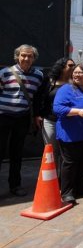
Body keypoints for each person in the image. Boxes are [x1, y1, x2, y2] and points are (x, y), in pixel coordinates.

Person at [0, 44, 44, 196]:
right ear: (17, 56)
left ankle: (15, 185)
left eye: (30, 56)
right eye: (23, 55)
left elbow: (38, 98)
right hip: (3, 117)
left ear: (34, 58)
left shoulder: (39, 75)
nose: (26, 58)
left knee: (17, 153)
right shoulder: (4, 73)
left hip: (22, 118)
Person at [53, 63, 83, 204]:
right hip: (69, 134)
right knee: (70, 164)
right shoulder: (66, 89)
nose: (77, 75)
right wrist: (77, 112)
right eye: (75, 72)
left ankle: (82, 188)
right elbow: (58, 108)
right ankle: (67, 192)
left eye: (80, 72)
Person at [40, 57, 75, 179]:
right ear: (61, 67)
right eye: (70, 65)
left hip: (68, 122)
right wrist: (38, 115)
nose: (73, 68)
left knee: (65, 152)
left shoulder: (74, 83)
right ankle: (51, 179)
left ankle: (63, 179)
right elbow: (39, 98)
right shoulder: (49, 81)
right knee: (51, 151)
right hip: (50, 121)